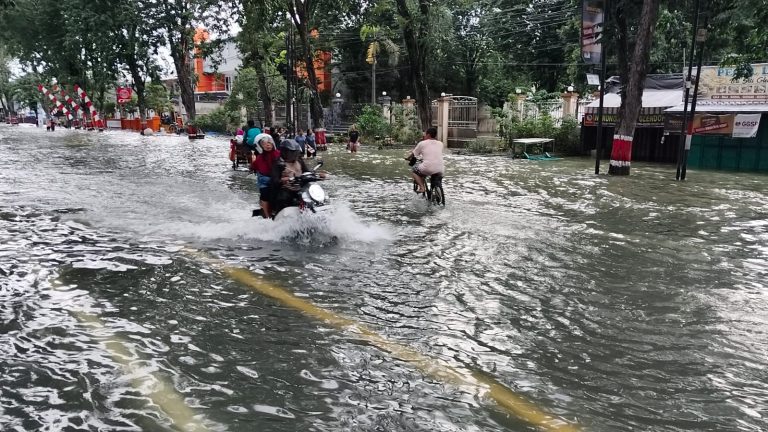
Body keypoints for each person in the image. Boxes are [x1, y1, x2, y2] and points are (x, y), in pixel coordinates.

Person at [270, 139, 327, 216]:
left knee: (320, 197)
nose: (294, 155)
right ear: (284, 152)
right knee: (282, 198)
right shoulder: (278, 163)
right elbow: (274, 180)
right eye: (292, 152)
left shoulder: (299, 160)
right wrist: (282, 180)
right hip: (287, 189)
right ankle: (277, 216)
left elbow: (307, 172)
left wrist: (319, 175)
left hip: (301, 188)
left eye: (295, 153)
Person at [405, 126, 444, 194]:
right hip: (440, 168)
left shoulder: (422, 143)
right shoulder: (440, 143)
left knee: (415, 171)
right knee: (436, 178)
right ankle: (437, 191)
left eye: (425, 134)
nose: (424, 136)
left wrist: (408, 158)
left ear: (428, 135)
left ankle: (422, 188)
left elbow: (413, 154)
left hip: (428, 167)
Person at [250, 135, 280, 218]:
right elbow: (253, 166)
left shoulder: (278, 154)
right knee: (265, 194)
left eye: (269, 143)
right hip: (265, 180)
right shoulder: (260, 158)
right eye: (264, 143)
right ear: (261, 146)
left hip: (278, 178)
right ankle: (267, 216)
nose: (268, 145)